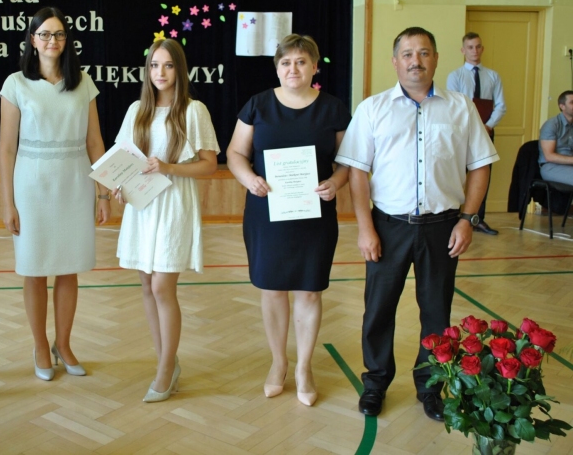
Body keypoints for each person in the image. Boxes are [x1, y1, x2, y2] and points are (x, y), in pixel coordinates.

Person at [335, 27, 498, 421]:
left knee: (436, 311)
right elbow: (357, 172)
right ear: (395, 62)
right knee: (378, 309)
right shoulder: (372, 109)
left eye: (423, 53)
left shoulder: (460, 108)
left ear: (436, 59)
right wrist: (365, 228)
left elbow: (480, 165)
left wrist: (467, 219)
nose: (415, 61)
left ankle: (431, 386)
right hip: (387, 226)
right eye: (407, 54)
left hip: (443, 227)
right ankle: (375, 383)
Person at [226, 34, 350, 405]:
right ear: (277, 68)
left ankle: (304, 367)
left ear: (314, 67)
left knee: (309, 290)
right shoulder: (258, 105)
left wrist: (335, 182)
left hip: (315, 215)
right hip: (267, 214)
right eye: (285, 62)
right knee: (273, 289)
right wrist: (249, 179)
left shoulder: (333, 108)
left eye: (300, 61)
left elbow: (348, 161)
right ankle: (278, 362)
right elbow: (235, 153)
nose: (292, 69)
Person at [0, 6, 111, 382]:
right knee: (34, 270)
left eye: (59, 34)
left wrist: (103, 193)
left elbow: (95, 142)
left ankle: (63, 344)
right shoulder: (15, 83)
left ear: (67, 40)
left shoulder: (83, 83)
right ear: (32, 40)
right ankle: (40, 345)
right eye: (45, 34)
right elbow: (7, 149)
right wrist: (7, 202)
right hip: (31, 187)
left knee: (68, 268)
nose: (52, 40)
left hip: (74, 183)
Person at [113, 38, 219, 403]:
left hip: (174, 202)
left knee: (161, 287)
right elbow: (122, 161)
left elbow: (209, 165)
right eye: (155, 65)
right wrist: (119, 186)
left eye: (168, 65)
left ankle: (164, 370)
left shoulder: (193, 110)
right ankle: (167, 363)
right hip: (142, 205)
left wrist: (169, 167)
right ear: (147, 71)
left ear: (179, 70)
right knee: (147, 284)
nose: (161, 72)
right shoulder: (136, 111)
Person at [446, 32, 507, 235]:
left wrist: (487, 126)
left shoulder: (493, 76)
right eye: (470, 47)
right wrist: (468, 128)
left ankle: (477, 218)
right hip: (461, 132)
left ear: (482, 49)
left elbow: (501, 105)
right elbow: (453, 106)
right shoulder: (455, 76)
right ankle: (454, 216)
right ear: (463, 50)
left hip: (486, 131)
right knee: (457, 174)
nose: (475, 51)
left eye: (478, 46)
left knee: (482, 172)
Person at [538, 90, 573, 186]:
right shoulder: (552, 124)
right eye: (572, 102)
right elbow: (549, 156)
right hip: (551, 167)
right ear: (562, 106)